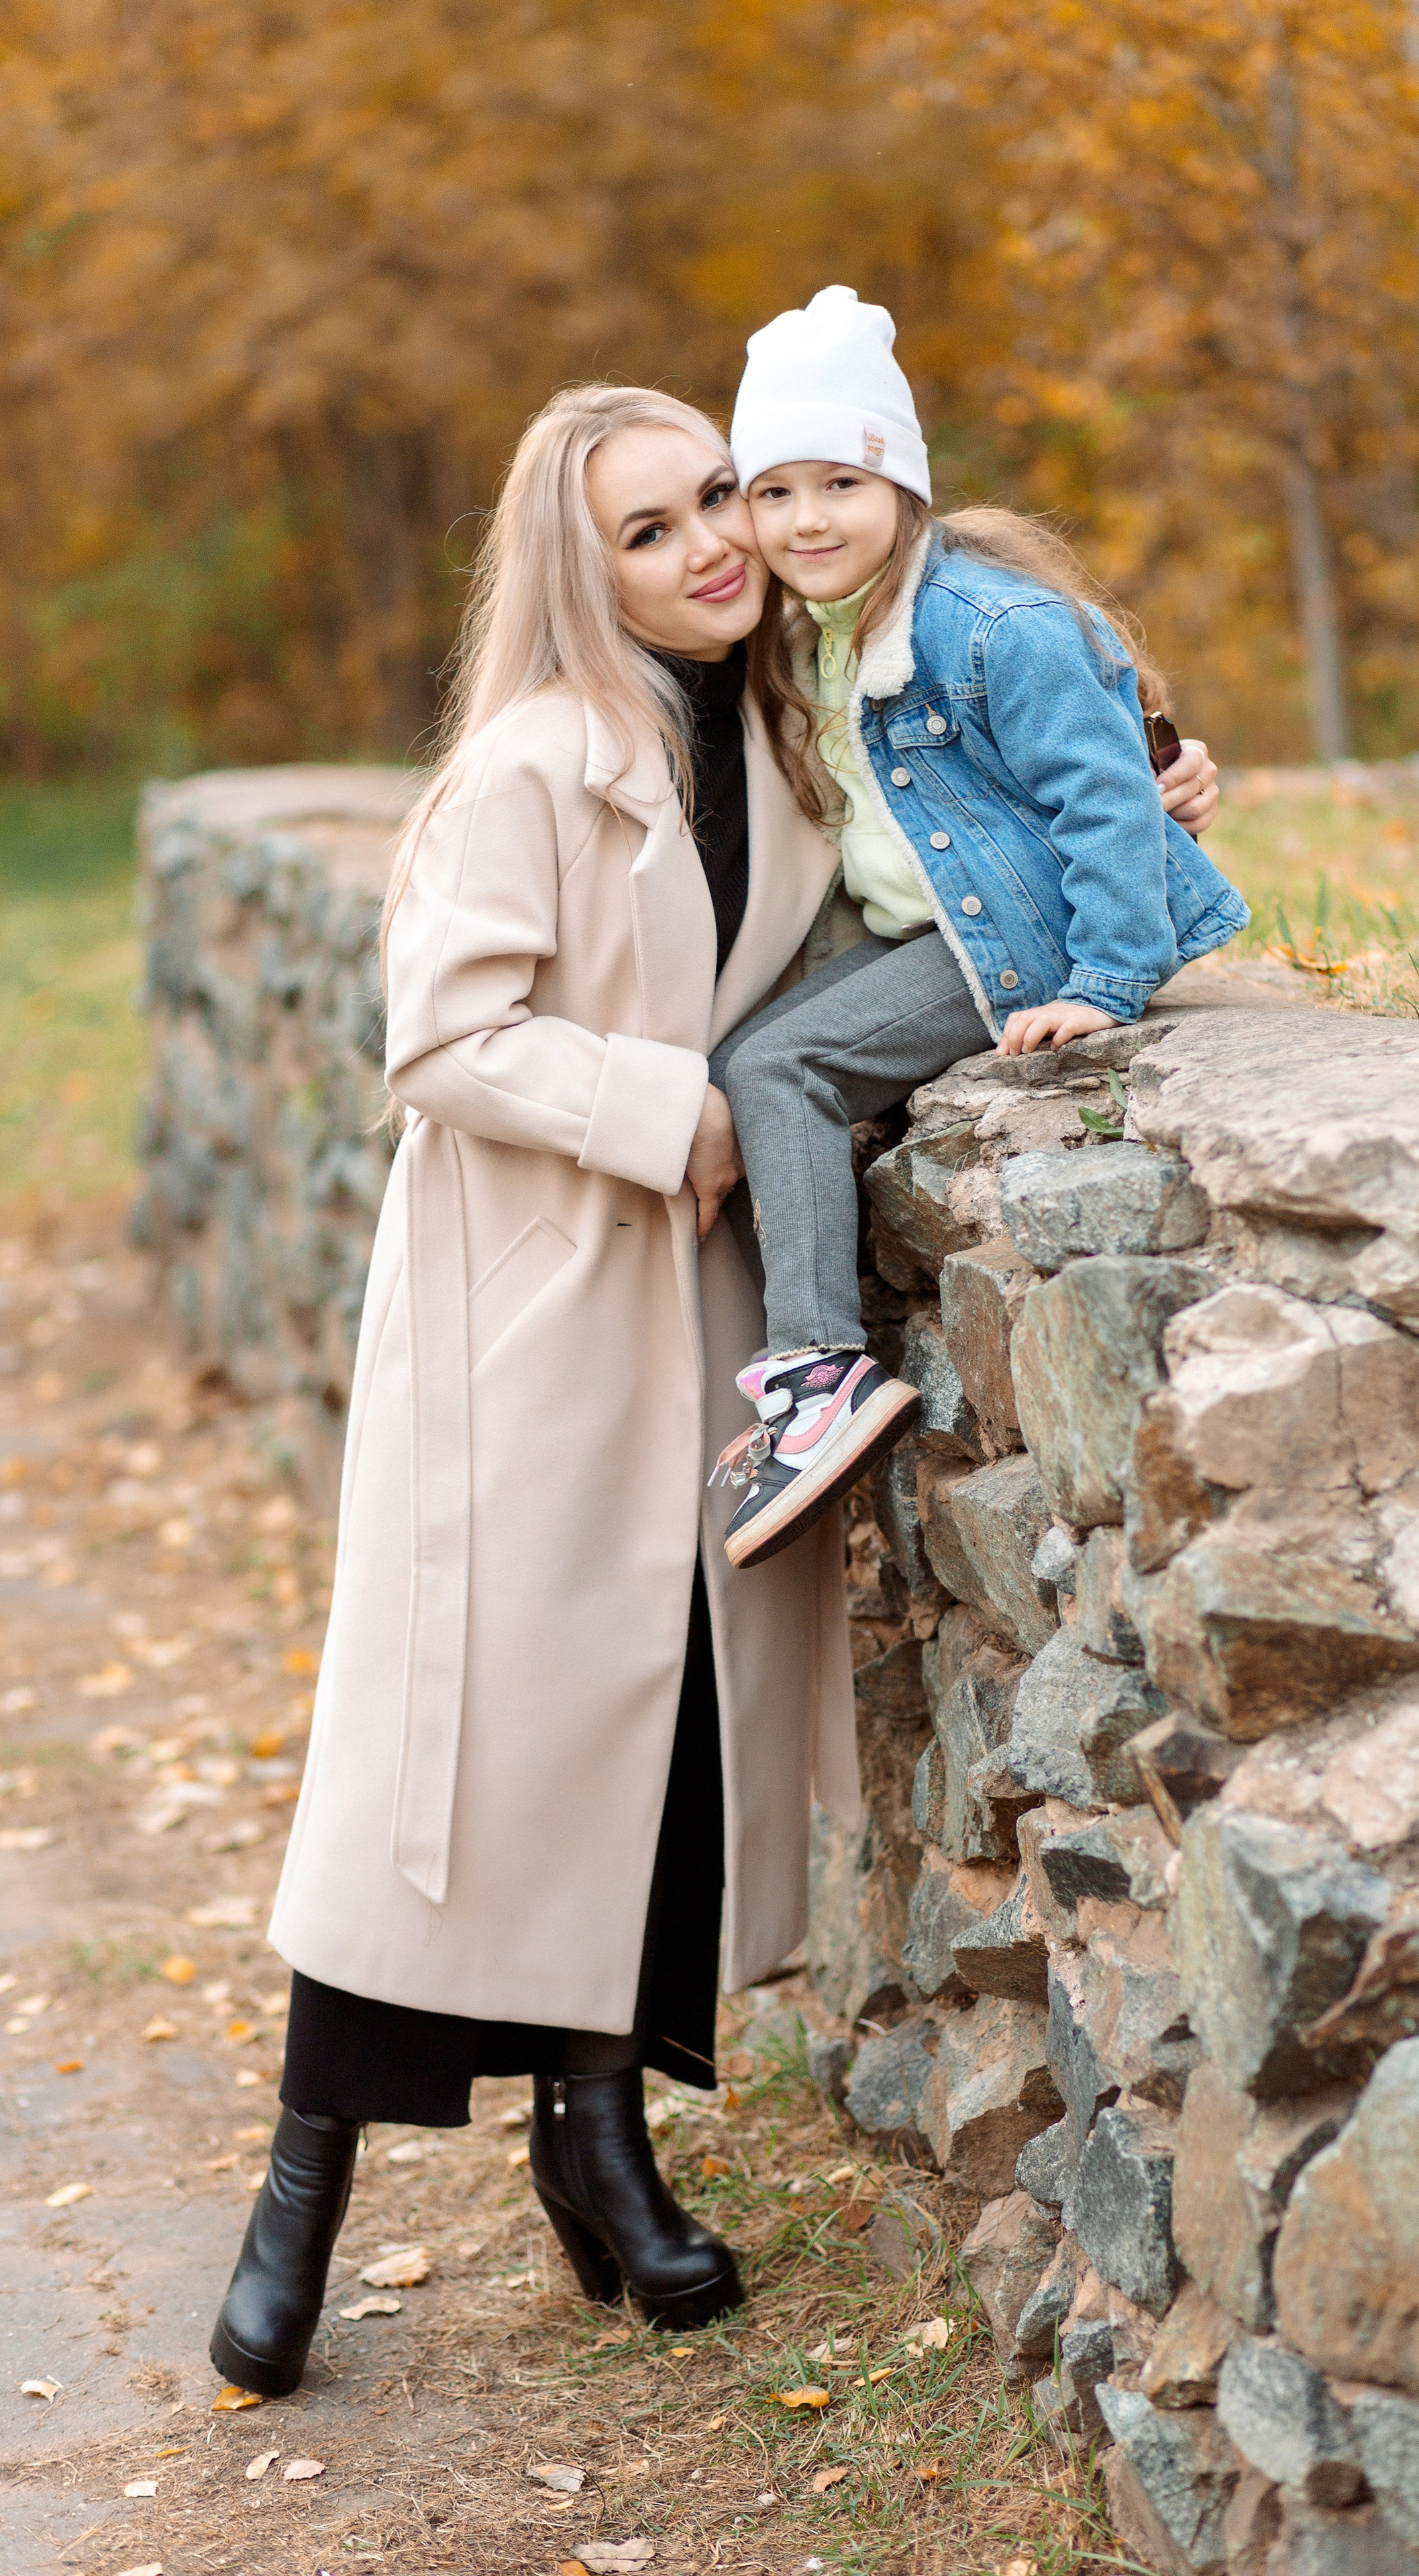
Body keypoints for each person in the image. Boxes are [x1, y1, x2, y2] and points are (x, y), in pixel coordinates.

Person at [207, 384, 862, 2396]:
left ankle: (600, 2139)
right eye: (649, 529)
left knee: (641, 1731)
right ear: (584, 573)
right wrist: (674, 1112)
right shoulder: (527, 764)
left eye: (719, 496)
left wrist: (1148, 781)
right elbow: (441, 1040)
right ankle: (297, 2196)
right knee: (444, 1752)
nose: (712, 545)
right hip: (527, 1303)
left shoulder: (790, 734)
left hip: (690, 1302)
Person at [705, 286, 1249, 1572]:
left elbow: (1101, 801)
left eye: (840, 484)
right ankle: (808, 1349)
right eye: (774, 492)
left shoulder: (989, 624)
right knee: (736, 1063)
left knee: (781, 1068)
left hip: (1029, 939)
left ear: (901, 485)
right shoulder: (816, 633)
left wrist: (1107, 981)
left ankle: (820, 1374)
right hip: (939, 934)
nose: (806, 520)